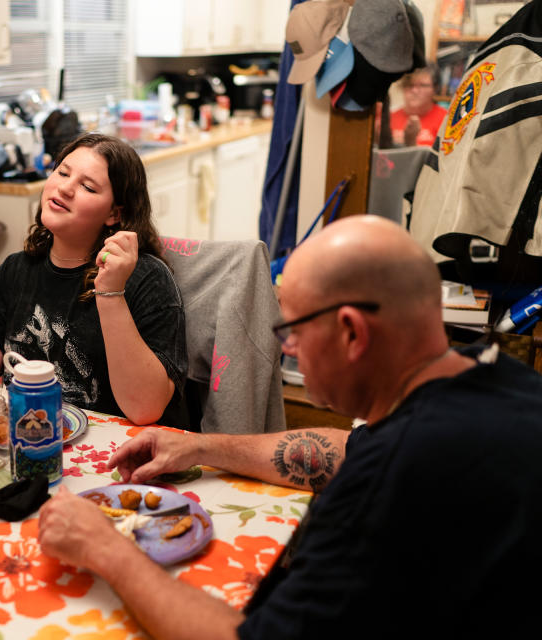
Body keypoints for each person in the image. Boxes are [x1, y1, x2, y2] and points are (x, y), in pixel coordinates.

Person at [38, 215, 542, 638]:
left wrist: (109, 550)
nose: (288, 348)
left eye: (292, 328)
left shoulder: (388, 485)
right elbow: (351, 448)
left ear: (350, 331)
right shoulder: (491, 373)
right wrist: (199, 447)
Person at [0, 133, 187, 427]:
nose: (65, 187)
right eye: (62, 172)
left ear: (114, 214)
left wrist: (111, 293)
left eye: (87, 186)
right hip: (27, 438)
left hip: (113, 454)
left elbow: (145, 409)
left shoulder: (146, 278)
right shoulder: (17, 269)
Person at [389, 64, 446, 147]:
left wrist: (411, 142)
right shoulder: (390, 118)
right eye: (410, 85)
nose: (414, 90)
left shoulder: (446, 120)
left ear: (435, 88)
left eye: (422, 85)